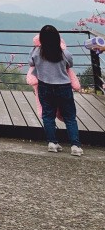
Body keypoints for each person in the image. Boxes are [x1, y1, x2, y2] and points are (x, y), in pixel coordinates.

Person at [31, 24, 83, 156]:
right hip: (63, 87)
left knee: (48, 116)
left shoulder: (37, 52)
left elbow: (31, 63)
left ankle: (52, 143)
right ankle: (75, 146)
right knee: (70, 117)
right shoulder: (64, 53)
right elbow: (70, 64)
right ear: (58, 38)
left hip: (45, 86)